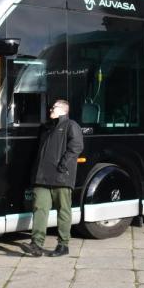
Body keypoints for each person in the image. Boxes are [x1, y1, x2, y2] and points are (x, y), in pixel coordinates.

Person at [28, 99, 83, 257]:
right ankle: (36, 244)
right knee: (39, 209)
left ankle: (63, 245)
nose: (51, 109)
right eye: (51, 107)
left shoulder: (71, 125)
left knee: (63, 211)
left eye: (54, 107)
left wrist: (63, 164)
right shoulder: (46, 128)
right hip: (42, 178)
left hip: (61, 177)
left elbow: (77, 146)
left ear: (64, 110)